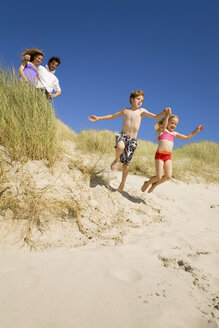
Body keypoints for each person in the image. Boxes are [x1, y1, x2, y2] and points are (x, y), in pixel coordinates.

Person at [88, 89, 170, 192]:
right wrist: (99, 118)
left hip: (132, 141)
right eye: (138, 99)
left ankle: (122, 184)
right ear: (132, 99)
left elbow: (155, 117)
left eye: (142, 100)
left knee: (126, 166)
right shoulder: (125, 110)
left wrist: (164, 112)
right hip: (123, 135)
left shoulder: (142, 111)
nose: (140, 102)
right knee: (120, 146)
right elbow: (112, 116)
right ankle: (117, 159)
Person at [141, 110, 204, 193]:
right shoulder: (162, 130)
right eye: (172, 123)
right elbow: (164, 126)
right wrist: (167, 114)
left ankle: (155, 184)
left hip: (168, 157)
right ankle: (148, 182)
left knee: (168, 176)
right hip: (159, 156)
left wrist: (196, 130)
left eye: (175, 124)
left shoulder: (174, 134)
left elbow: (187, 137)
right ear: (167, 122)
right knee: (159, 176)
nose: (173, 125)